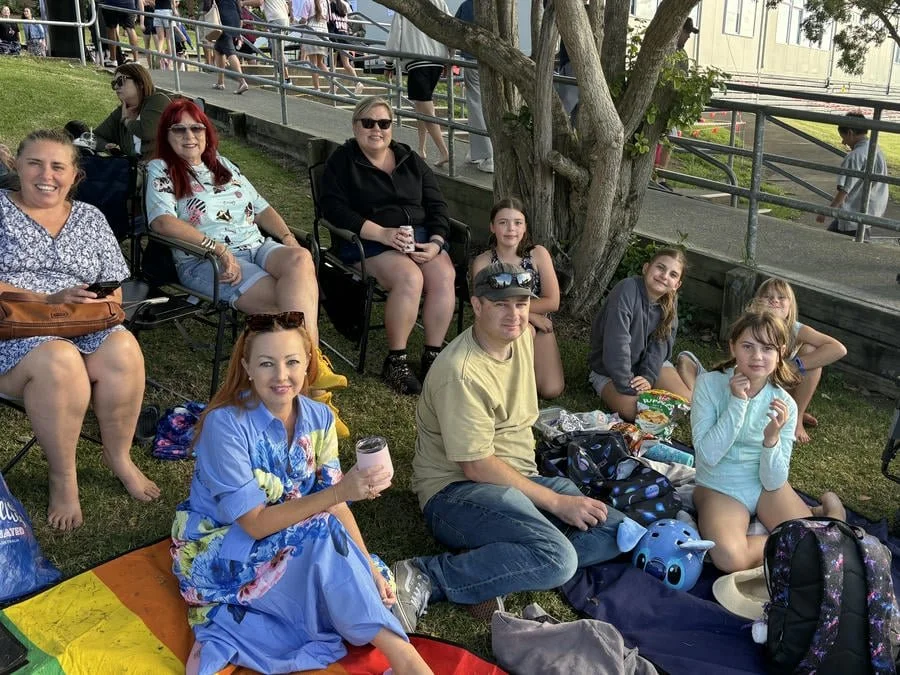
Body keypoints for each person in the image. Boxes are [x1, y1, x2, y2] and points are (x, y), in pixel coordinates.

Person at [171, 312, 432, 675]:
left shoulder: (319, 418)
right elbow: (255, 524)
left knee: (369, 572)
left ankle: (377, 629)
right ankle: (405, 659)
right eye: (266, 364)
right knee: (330, 546)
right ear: (246, 366)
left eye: (292, 361)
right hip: (225, 549)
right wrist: (339, 493)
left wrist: (367, 563)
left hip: (297, 535)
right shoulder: (225, 425)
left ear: (308, 362)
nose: (281, 375)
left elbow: (337, 504)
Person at [390, 262, 625, 633]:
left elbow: (545, 392)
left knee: (615, 528)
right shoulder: (462, 373)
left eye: (521, 303)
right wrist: (557, 503)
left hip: (519, 479)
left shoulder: (523, 338)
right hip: (457, 493)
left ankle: (493, 560)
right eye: (501, 304)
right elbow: (477, 466)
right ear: (478, 305)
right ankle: (426, 574)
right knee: (559, 559)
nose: (514, 314)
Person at [145, 99, 349, 434]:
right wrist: (218, 249)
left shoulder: (222, 164)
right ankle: (314, 395)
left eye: (196, 127)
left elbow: (263, 208)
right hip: (207, 260)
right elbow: (163, 223)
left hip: (255, 247)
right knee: (281, 305)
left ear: (207, 132)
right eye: (178, 129)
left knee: (300, 260)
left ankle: (309, 373)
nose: (189, 136)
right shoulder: (161, 171)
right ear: (166, 135)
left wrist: (288, 238)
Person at [0, 129, 160, 531]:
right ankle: (63, 477)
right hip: (13, 329)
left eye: (58, 166)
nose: (46, 175)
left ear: (74, 175)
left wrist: (96, 302)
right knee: (61, 360)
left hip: (81, 323)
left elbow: (116, 285)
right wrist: (50, 299)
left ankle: (119, 455)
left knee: (123, 348)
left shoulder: (90, 217)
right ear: (16, 165)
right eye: (35, 163)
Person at [320, 97, 456, 396]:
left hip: (418, 237)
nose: (376, 129)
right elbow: (332, 209)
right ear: (355, 125)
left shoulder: (409, 159)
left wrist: (435, 242)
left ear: (392, 126)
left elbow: (437, 205)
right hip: (368, 242)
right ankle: (396, 362)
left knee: (444, 275)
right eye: (368, 123)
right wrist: (381, 233)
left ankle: (432, 356)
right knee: (410, 277)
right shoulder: (343, 161)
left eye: (384, 123)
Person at [691, 310, 845, 573]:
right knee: (730, 558)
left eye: (767, 348)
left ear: (781, 352)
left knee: (822, 550)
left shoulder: (785, 403)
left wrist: (771, 439)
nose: (757, 356)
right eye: (748, 346)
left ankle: (830, 508)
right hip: (720, 486)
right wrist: (738, 403)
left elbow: (773, 480)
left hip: (763, 485)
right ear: (733, 346)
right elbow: (707, 456)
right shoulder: (709, 384)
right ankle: (794, 535)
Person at [472, 198, 563, 399]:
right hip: (499, 325)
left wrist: (528, 314)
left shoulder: (538, 254)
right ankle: (510, 385)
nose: (510, 228)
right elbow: (483, 307)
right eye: (503, 222)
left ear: (525, 228)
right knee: (525, 331)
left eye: (517, 223)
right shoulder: (484, 262)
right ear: (492, 227)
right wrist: (529, 318)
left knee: (551, 390)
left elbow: (553, 301)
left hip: (539, 323)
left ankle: (524, 375)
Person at [587, 247, 693, 421]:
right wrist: (631, 386)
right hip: (610, 371)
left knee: (686, 403)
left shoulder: (670, 301)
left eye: (673, 275)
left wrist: (647, 377)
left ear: (677, 285)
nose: (664, 276)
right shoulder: (626, 290)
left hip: (646, 366)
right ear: (646, 268)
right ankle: (629, 392)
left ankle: (688, 365)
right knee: (640, 414)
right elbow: (617, 345)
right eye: (660, 267)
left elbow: (660, 345)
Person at [753, 278, 847, 443]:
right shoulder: (749, 326)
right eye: (768, 296)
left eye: (781, 297)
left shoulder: (795, 329)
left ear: (790, 305)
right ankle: (785, 411)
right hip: (756, 384)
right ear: (757, 301)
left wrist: (795, 364)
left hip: (782, 383)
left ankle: (796, 416)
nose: (774, 300)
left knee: (811, 352)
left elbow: (839, 349)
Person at [385, 0, 451, 167]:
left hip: (417, 57)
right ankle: (421, 148)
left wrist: (388, 62)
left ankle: (444, 152)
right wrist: (450, 55)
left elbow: (396, 32)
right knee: (422, 105)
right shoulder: (439, 1)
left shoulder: (404, 3)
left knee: (424, 107)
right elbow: (449, 25)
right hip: (437, 58)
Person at [815, 111, 889, 242]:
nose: (843, 142)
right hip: (872, 208)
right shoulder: (874, 148)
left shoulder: (854, 156)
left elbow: (844, 190)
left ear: (850, 132)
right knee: (838, 237)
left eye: (843, 137)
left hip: (854, 212)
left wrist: (827, 211)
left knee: (843, 242)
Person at [654, 17, 700, 190]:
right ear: (678, 30)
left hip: (672, 105)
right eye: (686, 32)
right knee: (656, 139)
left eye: (689, 33)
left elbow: (684, 78)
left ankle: (661, 177)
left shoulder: (683, 55)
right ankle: (653, 176)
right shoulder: (665, 50)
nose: (688, 37)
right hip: (659, 103)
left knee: (670, 140)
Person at [95, 63, 170, 161]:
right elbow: (94, 137)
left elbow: (146, 132)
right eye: (114, 84)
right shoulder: (120, 112)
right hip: (134, 171)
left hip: (163, 170)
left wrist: (127, 121)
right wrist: (105, 146)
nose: (116, 87)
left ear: (140, 83)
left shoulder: (158, 100)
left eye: (120, 81)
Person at [453, 0, 493, 173]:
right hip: (494, 61)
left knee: (475, 105)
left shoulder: (468, 4)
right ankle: (477, 151)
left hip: (472, 60)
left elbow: (454, 30)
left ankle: (488, 154)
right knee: (486, 105)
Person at [240, 0, 291, 83]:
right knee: (278, 52)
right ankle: (284, 78)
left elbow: (259, 2)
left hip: (276, 19)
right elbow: (286, 7)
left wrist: (243, 3)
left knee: (277, 53)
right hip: (283, 19)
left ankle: (286, 79)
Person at [211, 0, 250, 93]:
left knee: (229, 52)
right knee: (218, 49)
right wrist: (239, 27)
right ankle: (220, 82)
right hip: (234, 19)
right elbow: (238, 5)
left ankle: (242, 82)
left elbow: (208, 4)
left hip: (223, 20)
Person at [298, 0, 329, 92]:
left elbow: (303, 19)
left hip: (312, 31)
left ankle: (316, 88)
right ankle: (333, 83)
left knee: (313, 63)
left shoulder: (308, 1)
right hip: (323, 31)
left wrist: (298, 21)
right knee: (320, 62)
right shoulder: (325, 2)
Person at [102, 0, 141, 65]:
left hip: (111, 3)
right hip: (129, 4)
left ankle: (113, 59)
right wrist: (136, 8)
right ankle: (136, 60)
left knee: (111, 28)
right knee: (130, 29)